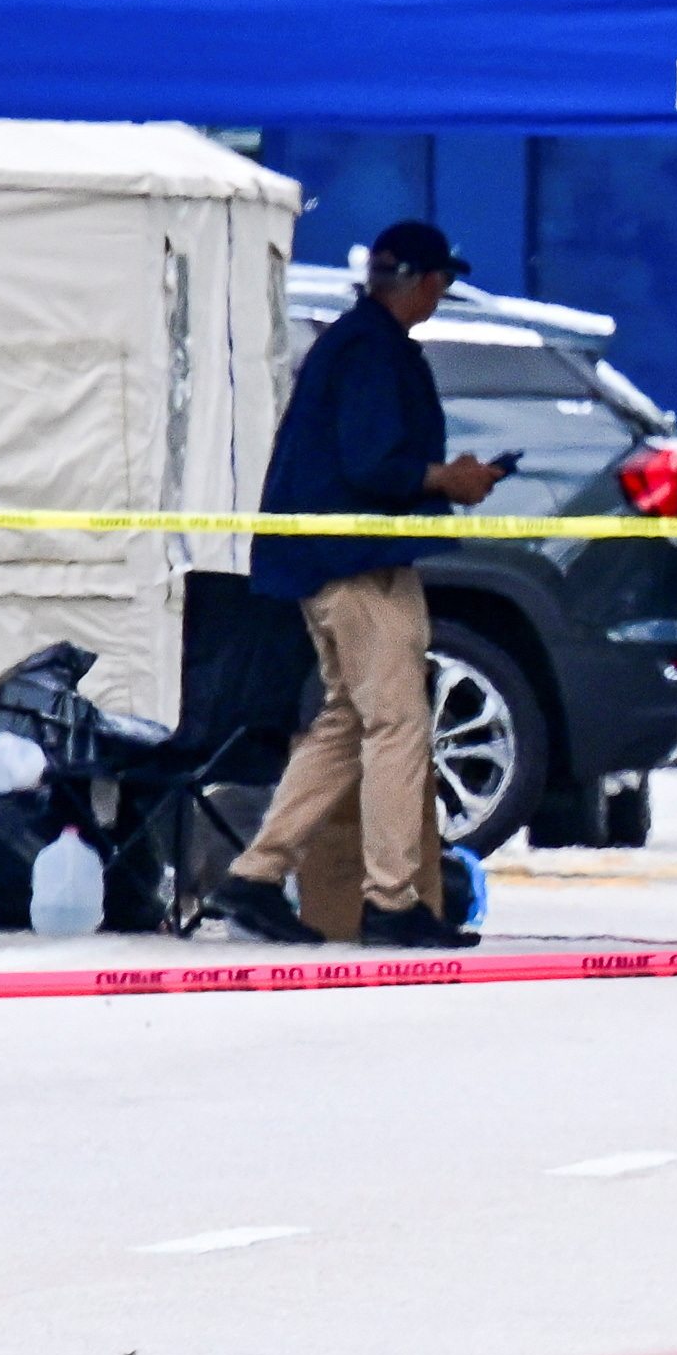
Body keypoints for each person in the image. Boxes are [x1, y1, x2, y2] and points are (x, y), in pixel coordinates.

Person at [207, 219, 506, 951]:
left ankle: (253, 875)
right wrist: (450, 479)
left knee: (347, 719)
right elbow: (372, 465)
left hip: (328, 560)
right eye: (441, 282)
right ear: (428, 282)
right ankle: (393, 899)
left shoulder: (349, 343)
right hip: (356, 563)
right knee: (400, 725)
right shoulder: (374, 351)